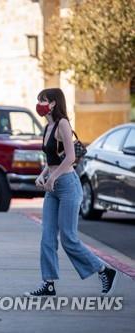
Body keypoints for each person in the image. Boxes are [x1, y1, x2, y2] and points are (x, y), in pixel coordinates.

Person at [25, 88, 118, 297]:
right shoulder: (47, 127)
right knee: (47, 237)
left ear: (54, 103)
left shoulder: (63, 124)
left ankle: (104, 270)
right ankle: (48, 283)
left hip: (67, 185)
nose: (39, 103)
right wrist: (43, 175)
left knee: (69, 238)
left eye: (43, 100)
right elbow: (52, 160)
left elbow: (70, 158)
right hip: (53, 186)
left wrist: (54, 177)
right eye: (39, 99)